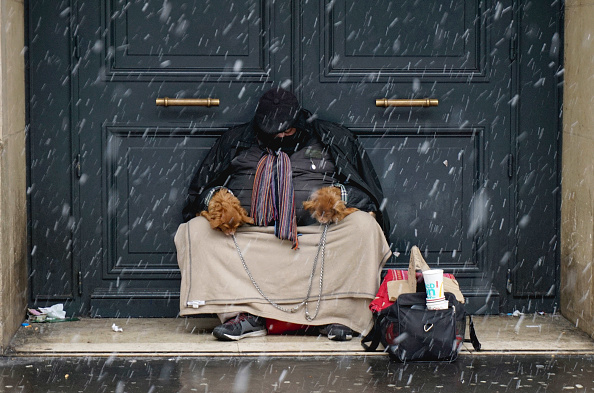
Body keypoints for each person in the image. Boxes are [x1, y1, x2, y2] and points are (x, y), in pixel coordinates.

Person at [176, 88, 392, 341]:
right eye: (272, 131)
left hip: (317, 237)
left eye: (286, 129)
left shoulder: (332, 138)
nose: (279, 135)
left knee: (363, 226)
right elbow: (198, 194)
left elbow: (369, 196)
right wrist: (217, 200)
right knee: (196, 230)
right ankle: (241, 315)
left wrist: (339, 198)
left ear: (298, 122)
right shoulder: (235, 141)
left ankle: (340, 316)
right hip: (250, 239)